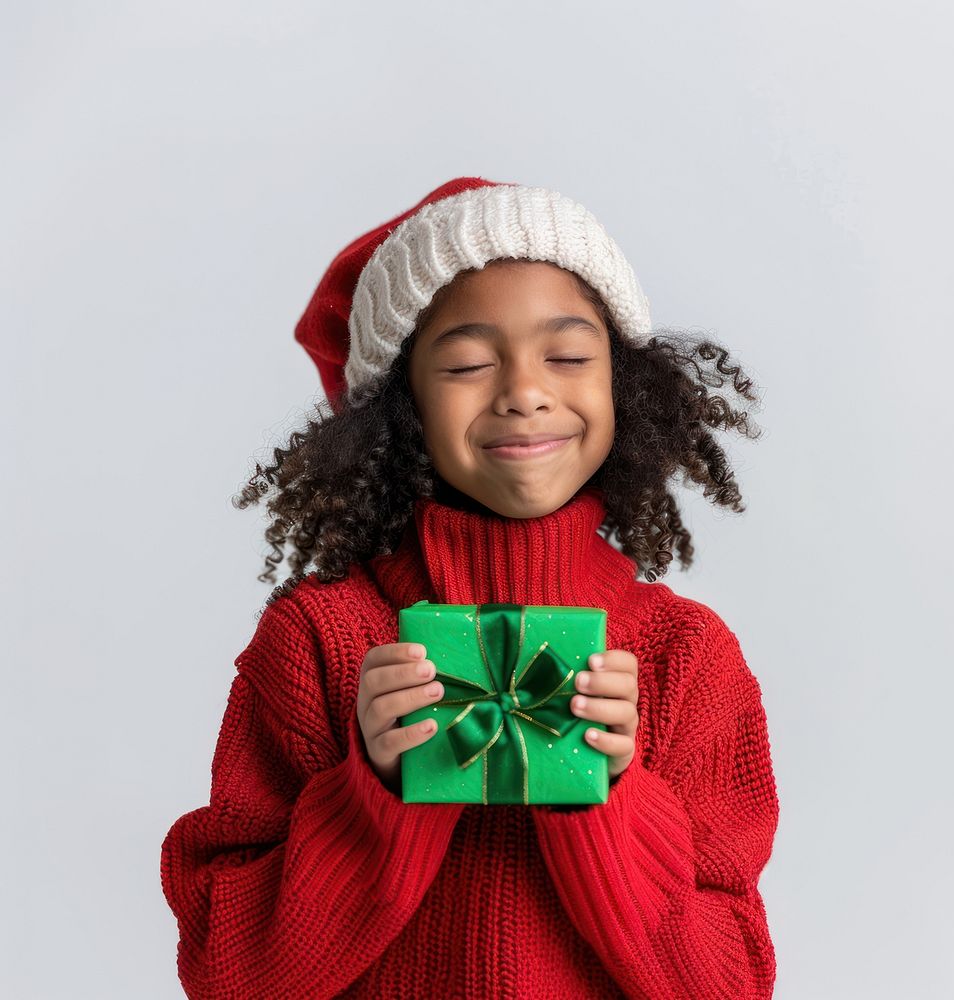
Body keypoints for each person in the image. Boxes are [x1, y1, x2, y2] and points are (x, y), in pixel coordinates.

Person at [159, 176, 781, 999]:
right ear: (402, 405)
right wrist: (374, 792)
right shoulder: (316, 641)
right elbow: (229, 973)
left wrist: (611, 800)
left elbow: (729, 984)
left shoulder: (687, 658)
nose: (525, 390)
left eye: (567, 356)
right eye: (468, 362)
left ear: (624, 385)